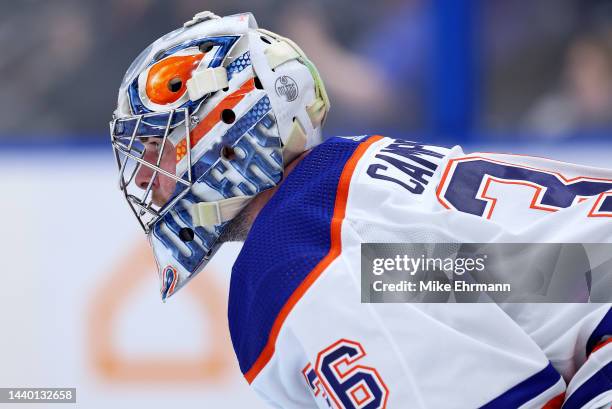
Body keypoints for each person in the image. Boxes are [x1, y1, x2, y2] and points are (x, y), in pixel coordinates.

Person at [110, 11, 612, 408]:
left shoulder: (293, 254)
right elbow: (562, 276)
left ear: (230, 132)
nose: (150, 182)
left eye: (161, 150)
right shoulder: (349, 188)